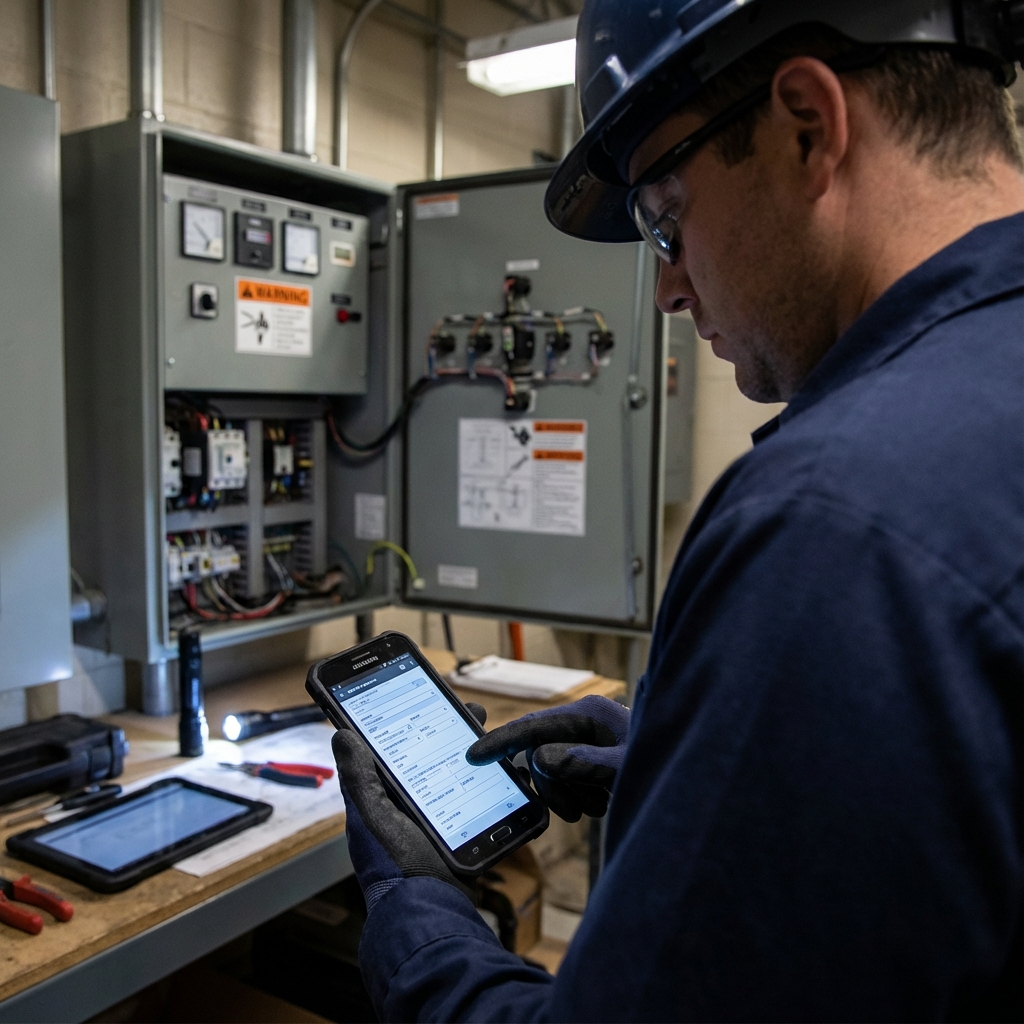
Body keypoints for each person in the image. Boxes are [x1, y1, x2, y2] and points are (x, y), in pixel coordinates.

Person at [332, 1, 1024, 1019]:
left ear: (804, 125)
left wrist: (415, 913)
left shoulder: (830, 520)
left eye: (665, 218)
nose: (663, 286)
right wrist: (694, 752)